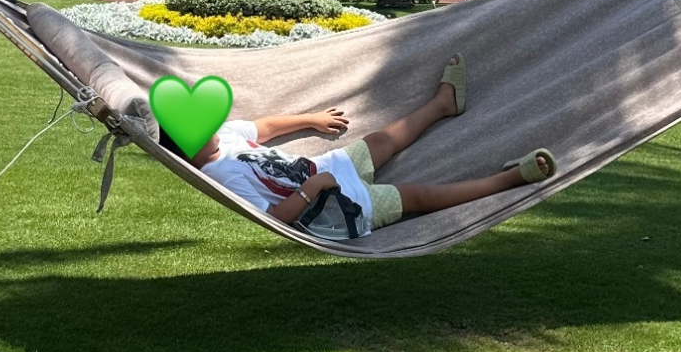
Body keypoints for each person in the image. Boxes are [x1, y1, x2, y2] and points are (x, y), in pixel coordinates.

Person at [167, 55, 555, 236]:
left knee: (379, 140)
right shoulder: (220, 176)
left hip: (331, 168)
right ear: (187, 149)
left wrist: (311, 118)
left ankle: (442, 105)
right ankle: (508, 181)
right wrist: (311, 188)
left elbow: (265, 127)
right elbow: (275, 217)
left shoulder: (230, 135)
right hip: (334, 209)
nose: (211, 125)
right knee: (417, 196)